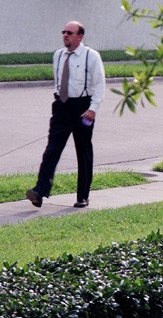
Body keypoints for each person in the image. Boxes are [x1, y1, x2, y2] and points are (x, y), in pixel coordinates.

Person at [26, 21, 106, 208]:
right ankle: (39, 191)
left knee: (83, 152)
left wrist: (92, 108)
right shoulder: (59, 55)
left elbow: (100, 83)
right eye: (63, 32)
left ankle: (83, 196)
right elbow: (58, 81)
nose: (65, 35)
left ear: (80, 36)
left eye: (70, 32)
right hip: (62, 107)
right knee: (52, 150)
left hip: (83, 107)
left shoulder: (91, 56)